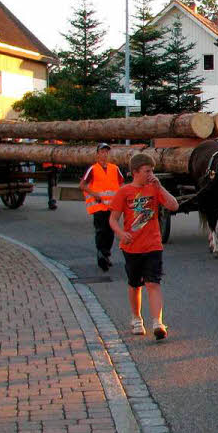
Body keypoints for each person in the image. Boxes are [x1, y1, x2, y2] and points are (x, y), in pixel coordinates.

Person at [109, 153, 179, 339]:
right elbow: (113, 219)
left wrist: (160, 187)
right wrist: (121, 233)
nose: (151, 174)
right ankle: (136, 318)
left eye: (152, 171)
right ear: (135, 172)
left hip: (153, 245)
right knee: (135, 285)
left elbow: (174, 206)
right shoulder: (124, 192)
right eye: (147, 171)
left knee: (153, 283)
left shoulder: (154, 189)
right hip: (131, 247)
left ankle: (158, 322)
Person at [80, 143, 125, 271]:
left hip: (112, 206)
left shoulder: (115, 168)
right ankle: (101, 254)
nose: (104, 154)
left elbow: (121, 185)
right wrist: (95, 194)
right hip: (98, 206)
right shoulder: (93, 169)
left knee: (110, 231)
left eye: (106, 152)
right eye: (102, 151)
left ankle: (105, 254)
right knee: (101, 230)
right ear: (97, 154)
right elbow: (82, 185)